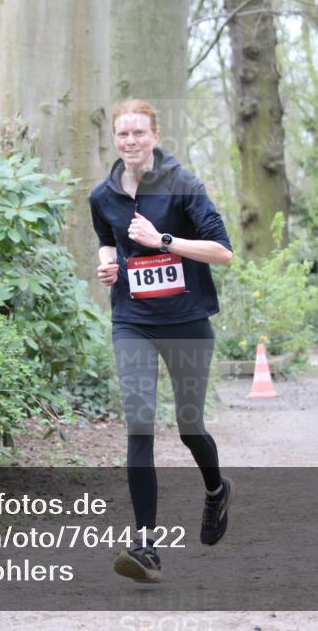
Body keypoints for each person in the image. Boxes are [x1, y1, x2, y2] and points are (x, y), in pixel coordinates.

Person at [89, 99, 235, 584]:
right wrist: (108, 262)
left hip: (186, 321)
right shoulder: (102, 195)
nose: (130, 142)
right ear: (115, 140)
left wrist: (164, 242)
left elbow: (223, 253)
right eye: (122, 134)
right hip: (132, 320)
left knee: (190, 425)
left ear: (155, 135)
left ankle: (216, 491)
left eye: (138, 133)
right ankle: (145, 545)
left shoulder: (185, 185)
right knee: (139, 426)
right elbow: (107, 237)